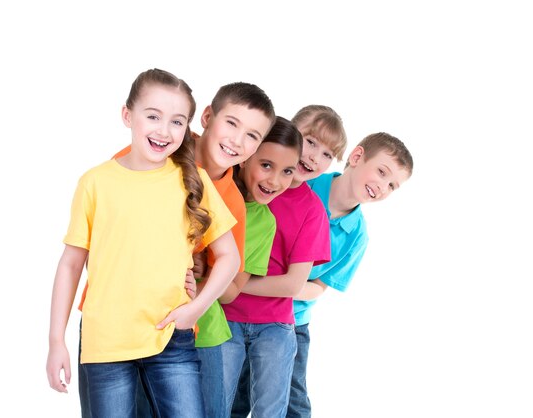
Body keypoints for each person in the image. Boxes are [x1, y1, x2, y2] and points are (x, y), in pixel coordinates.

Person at [45, 68, 241, 418]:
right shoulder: (95, 182)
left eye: (177, 121)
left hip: (170, 338)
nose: (164, 131)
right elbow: (71, 264)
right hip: (105, 344)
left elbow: (229, 257)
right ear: (127, 116)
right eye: (153, 116)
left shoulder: (191, 179)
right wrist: (56, 340)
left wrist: (195, 309)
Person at [78, 80, 276, 417]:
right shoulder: (141, 156)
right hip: (115, 321)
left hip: (188, 325)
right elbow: (106, 241)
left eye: (252, 136)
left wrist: (196, 285)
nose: (237, 141)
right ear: (207, 117)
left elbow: (230, 284)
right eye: (231, 124)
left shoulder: (233, 201)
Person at [229, 105, 347, 418]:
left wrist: (232, 284)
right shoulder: (249, 183)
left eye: (327, 155)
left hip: (274, 324)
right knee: (224, 406)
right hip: (225, 317)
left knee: (271, 410)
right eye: (311, 142)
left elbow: (294, 283)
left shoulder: (311, 210)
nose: (314, 158)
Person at [287, 131, 414, 417]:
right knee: (238, 393)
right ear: (356, 157)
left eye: (392, 185)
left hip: (293, 321)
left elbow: (319, 288)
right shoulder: (303, 184)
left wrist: (286, 287)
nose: (383, 186)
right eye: (382, 172)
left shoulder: (358, 236)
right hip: (247, 307)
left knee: (294, 403)